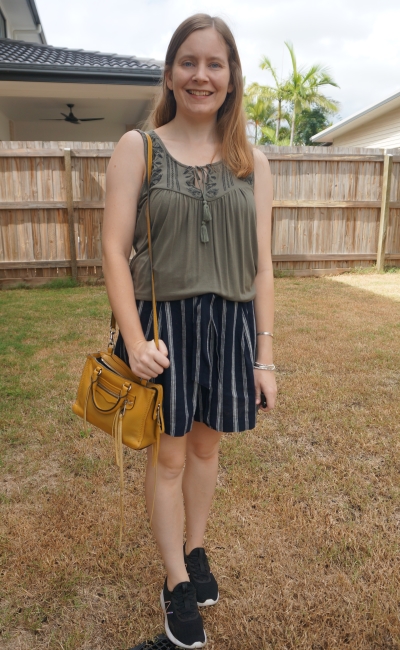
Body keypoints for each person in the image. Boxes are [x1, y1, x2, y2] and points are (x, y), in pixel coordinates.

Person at [102, 13, 276, 649]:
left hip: (230, 326)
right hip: (165, 329)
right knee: (169, 454)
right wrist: (136, 340)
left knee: (206, 448)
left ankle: (196, 549)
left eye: (215, 64)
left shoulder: (252, 162)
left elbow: (261, 265)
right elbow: (114, 252)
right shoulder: (137, 147)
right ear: (171, 73)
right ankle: (176, 581)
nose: (201, 75)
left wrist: (266, 357)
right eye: (189, 62)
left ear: (231, 79)